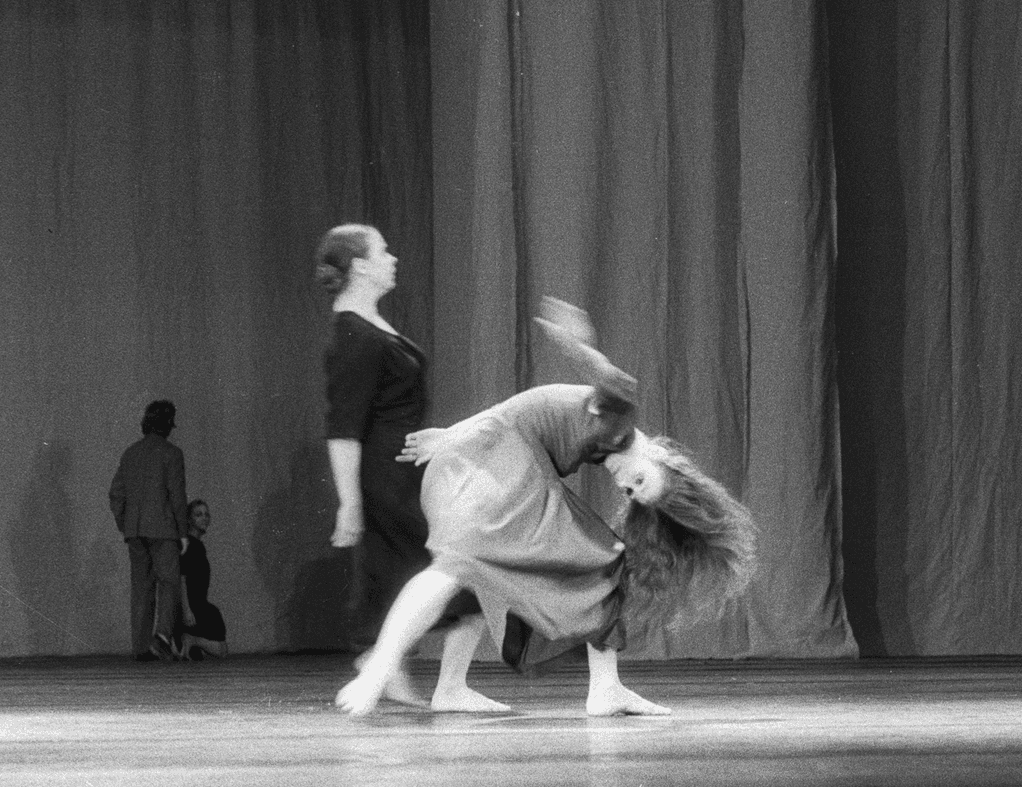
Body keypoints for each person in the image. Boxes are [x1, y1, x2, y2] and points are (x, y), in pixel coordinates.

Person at [336, 298, 756, 717]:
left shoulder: (610, 445)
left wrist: (455, 434)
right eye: (640, 478)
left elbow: (519, 407)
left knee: (533, 567)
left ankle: (460, 687)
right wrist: (577, 342)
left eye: (631, 493)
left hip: (488, 458)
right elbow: (610, 382)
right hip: (497, 461)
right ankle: (379, 668)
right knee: (463, 565)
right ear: (662, 458)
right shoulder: (619, 422)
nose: (624, 483)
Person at [317, 223, 492, 711]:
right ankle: (406, 670)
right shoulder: (352, 335)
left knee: (436, 572)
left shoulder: (368, 325)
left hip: (407, 472)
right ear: (360, 266)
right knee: (460, 568)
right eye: (383, 250)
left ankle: (399, 665)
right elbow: (343, 427)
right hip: (388, 478)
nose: (393, 257)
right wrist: (349, 503)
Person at [109, 399, 190, 662]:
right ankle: (162, 637)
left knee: (141, 588)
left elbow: (116, 494)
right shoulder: (172, 453)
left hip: (135, 531)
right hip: (164, 530)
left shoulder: (130, 453)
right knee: (169, 582)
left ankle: (141, 648)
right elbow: (177, 496)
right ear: (168, 424)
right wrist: (182, 532)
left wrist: (126, 524)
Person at [178, 499, 228, 659]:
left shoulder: (195, 545)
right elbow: (181, 578)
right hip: (194, 609)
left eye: (206, 514)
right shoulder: (191, 546)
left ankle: (191, 643)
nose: (204, 518)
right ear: (189, 519)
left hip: (195, 608)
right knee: (222, 650)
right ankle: (192, 640)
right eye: (198, 515)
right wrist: (187, 611)